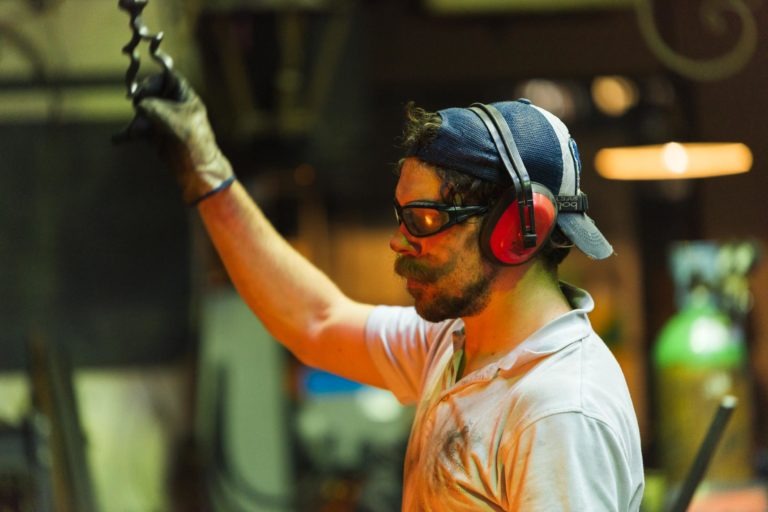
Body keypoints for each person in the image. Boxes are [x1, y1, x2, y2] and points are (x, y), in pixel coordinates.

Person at [132, 74, 644, 510]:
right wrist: (207, 173)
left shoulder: (557, 412)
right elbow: (318, 322)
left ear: (516, 228)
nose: (400, 240)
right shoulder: (458, 345)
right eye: (403, 216)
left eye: (424, 218)